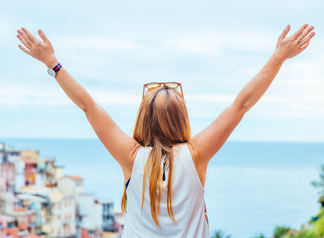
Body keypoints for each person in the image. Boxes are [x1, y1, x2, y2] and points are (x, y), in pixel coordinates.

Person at [17, 24, 315, 237]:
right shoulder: (196, 155)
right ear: (181, 118)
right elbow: (241, 105)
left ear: (143, 120)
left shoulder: (131, 157)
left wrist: (53, 64)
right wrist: (278, 58)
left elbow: (89, 107)